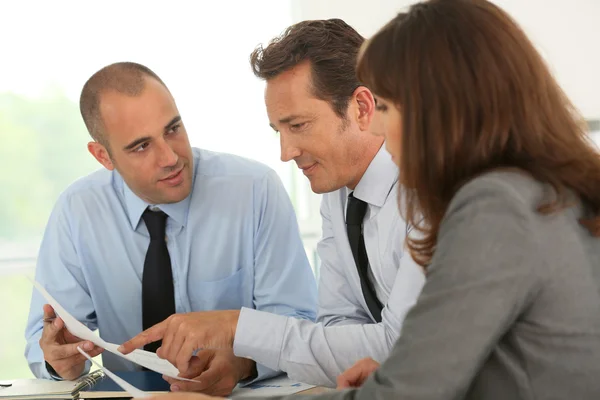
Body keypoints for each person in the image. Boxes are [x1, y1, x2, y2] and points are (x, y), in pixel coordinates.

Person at [139, 0, 600, 399]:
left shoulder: (494, 206)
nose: (378, 127)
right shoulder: (526, 191)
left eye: (387, 107)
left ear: (443, 107)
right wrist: (388, 371)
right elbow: (407, 358)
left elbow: (409, 374)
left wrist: (239, 335)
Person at [119, 19, 426, 387]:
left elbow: (407, 345)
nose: (286, 153)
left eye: (298, 126)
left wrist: (237, 327)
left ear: (361, 107)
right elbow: (337, 326)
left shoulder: (429, 191)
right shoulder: (337, 190)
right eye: (278, 131)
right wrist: (241, 361)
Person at [24, 62, 318, 396]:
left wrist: (244, 362)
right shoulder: (76, 211)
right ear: (103, 156)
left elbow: (299, 321)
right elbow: (43, 339)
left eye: (173, 129)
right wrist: (58, 359)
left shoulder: (255, 190)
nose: (170, 157)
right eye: (141, 146)